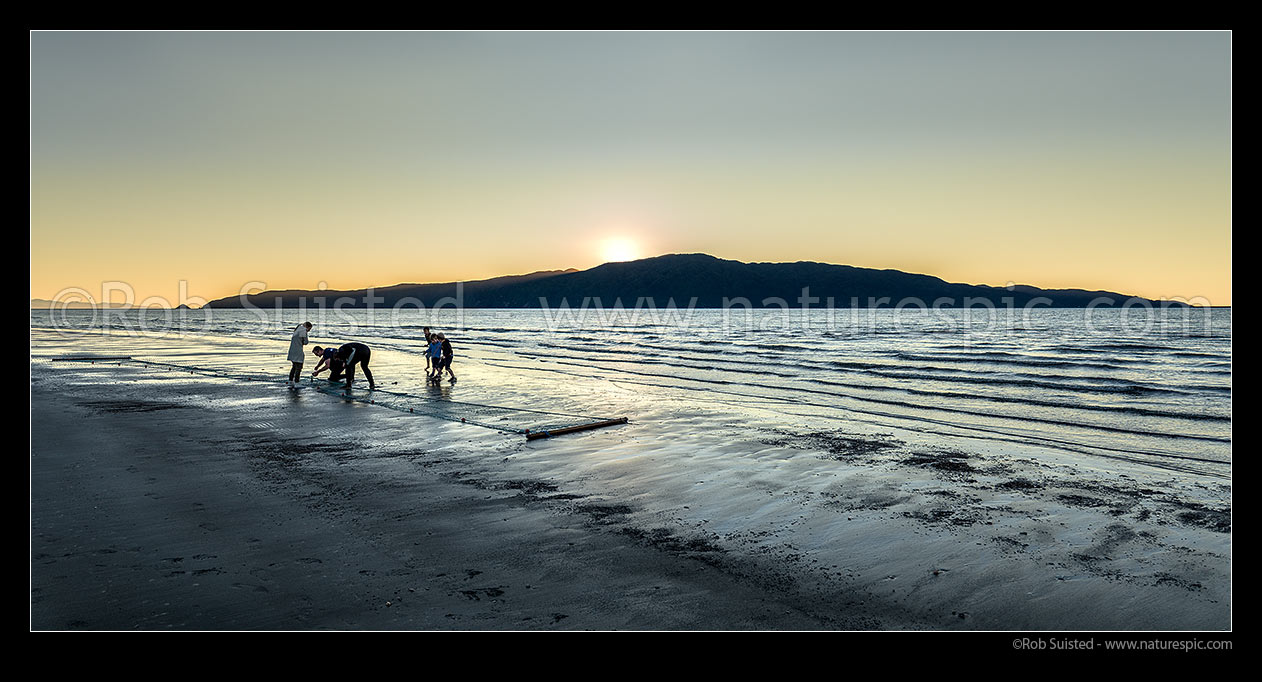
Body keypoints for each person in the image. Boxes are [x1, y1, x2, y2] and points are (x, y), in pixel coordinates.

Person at [286, 322, 313, 388]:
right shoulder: (303, 330)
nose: (309, 331)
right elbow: (306, 342)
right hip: (298, 351)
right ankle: (297, 383)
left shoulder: (297, 329)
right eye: (309, 329)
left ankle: (290, 381)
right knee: (299, 367)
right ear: (308, 327)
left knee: (294, 367)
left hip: (292, 351)